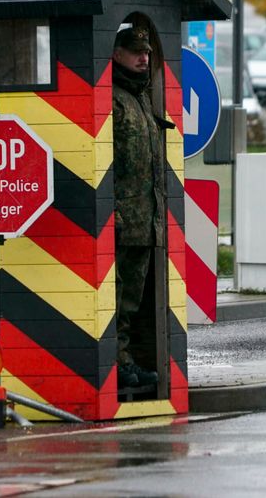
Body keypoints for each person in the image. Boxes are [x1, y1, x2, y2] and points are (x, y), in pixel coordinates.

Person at [111, 24, 167, 389]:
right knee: (118, 301)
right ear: (116, 53)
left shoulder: (142, 98)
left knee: (132, 302)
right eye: (135, 51)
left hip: (146, 222)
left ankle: (127, 363)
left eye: (146, 52)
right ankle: (118, 365)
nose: (143, 57)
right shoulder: (113, 98)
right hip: (120, 221)